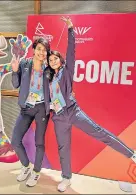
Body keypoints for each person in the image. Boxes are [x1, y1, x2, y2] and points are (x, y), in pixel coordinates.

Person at [45, 16, 136, 192]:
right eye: (50, 60)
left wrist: (71, 29)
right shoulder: (50, 77)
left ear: (61, 61)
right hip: (58, 117)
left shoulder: (66, 71)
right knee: (63, 147)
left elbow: (71, 52)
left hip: (73, 111)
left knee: (100, 132)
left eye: (55, 59)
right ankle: (66, 178)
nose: (53, 61)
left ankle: (131, 153)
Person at [11, 35, 51, 187]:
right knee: (15, 140)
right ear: (34, 50)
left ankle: (36, 173)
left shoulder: (49, 68)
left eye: (45, 50)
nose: (42, 52)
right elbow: (15, 84)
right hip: (26, 107)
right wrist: (15, 71)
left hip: (41, 108)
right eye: (39, 49)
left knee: (39, 143)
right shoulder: (25, 64)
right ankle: (26, 166)